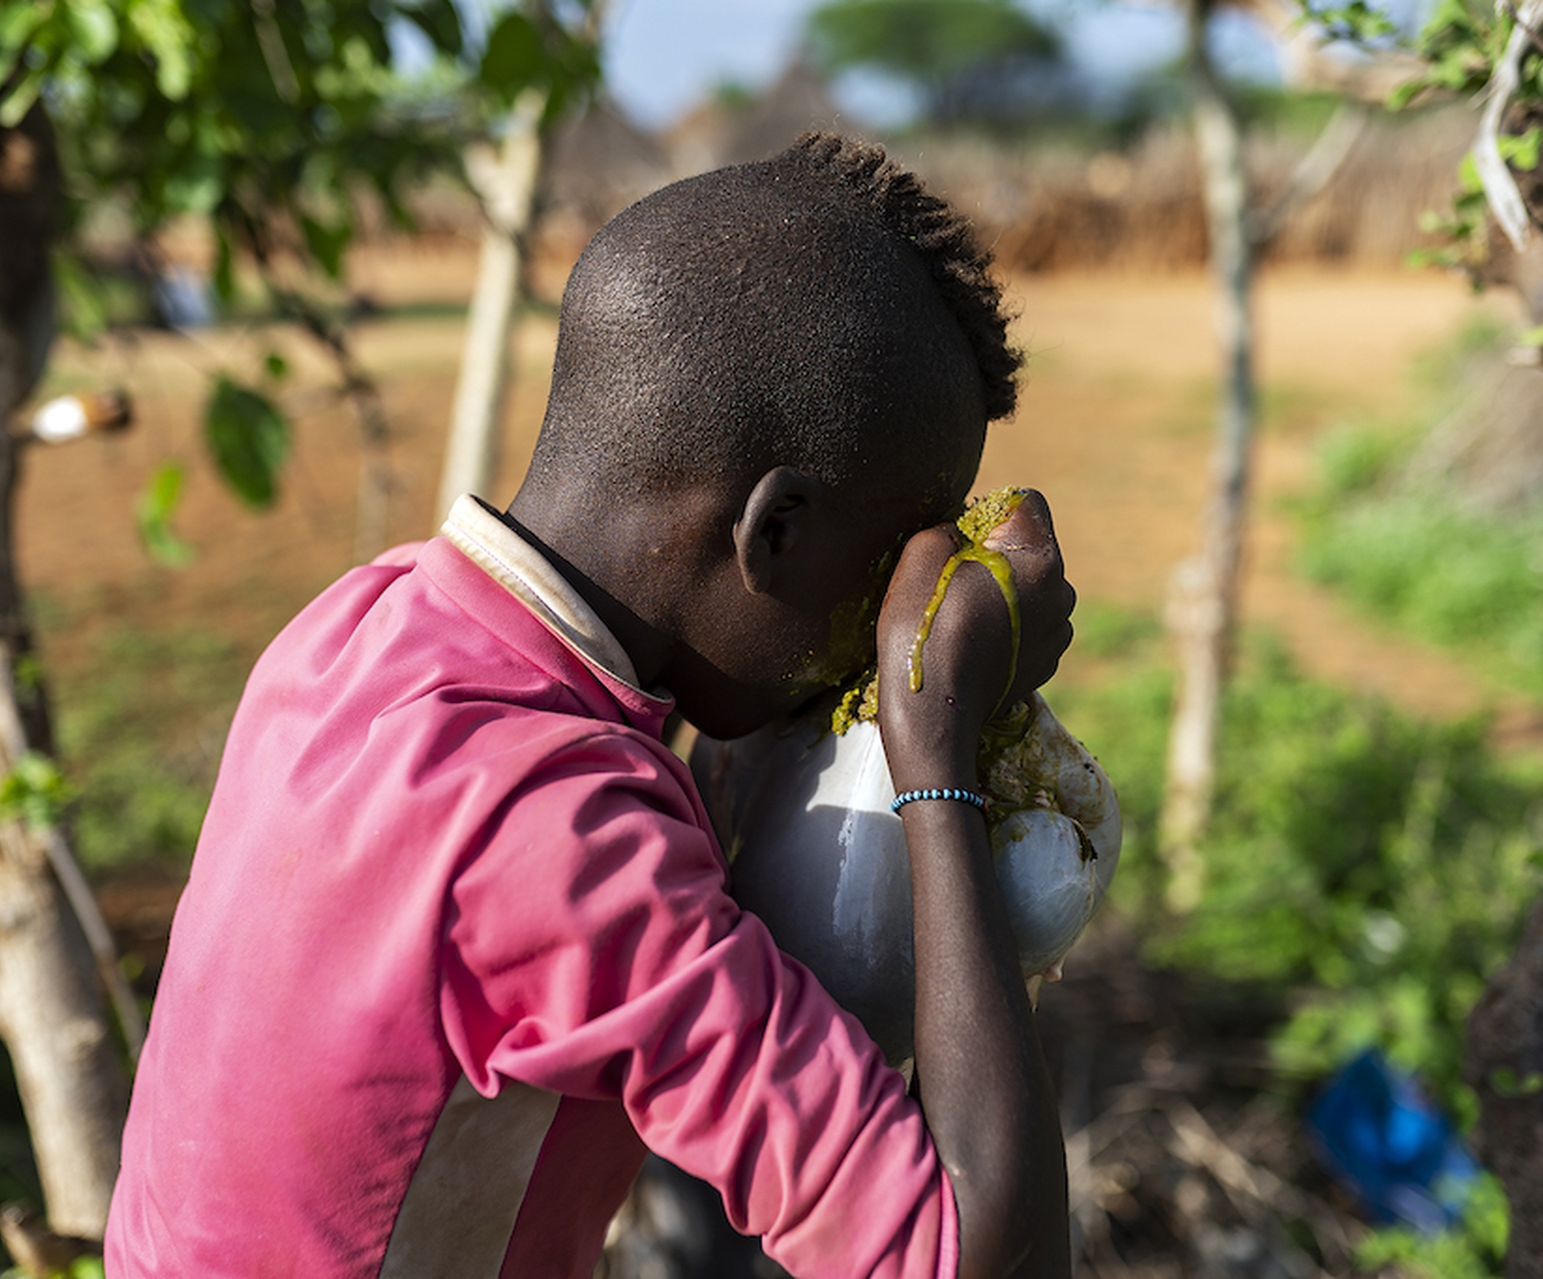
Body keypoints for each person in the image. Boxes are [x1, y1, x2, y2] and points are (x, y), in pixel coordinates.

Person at [105, 132, 1075, 1279]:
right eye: (877, 580)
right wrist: (933, 734)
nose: (875, 632)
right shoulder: (558, 838)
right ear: (776, 534)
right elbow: (974, 1256)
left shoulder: (360, 626)